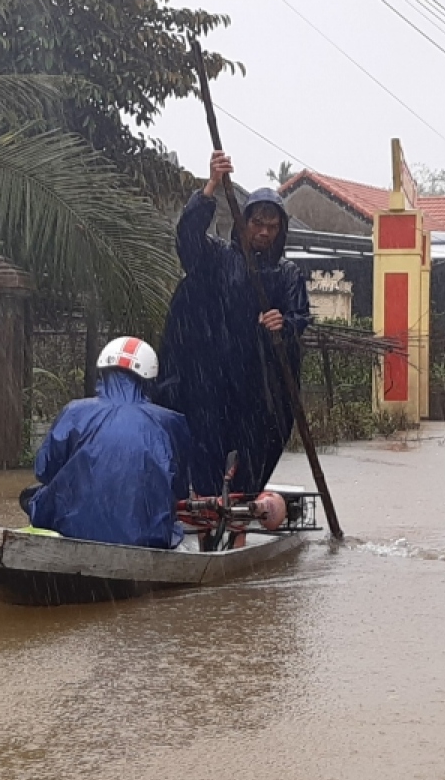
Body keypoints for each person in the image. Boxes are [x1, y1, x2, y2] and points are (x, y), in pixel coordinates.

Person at [155, 150, 312, 498]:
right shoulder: (217, 260)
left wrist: (282, 323)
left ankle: (241, 509)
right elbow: (188, 240)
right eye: (258, 224)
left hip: (256, 387)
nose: (264, 233)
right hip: (209, 382)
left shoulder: (286, 274)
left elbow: (300, 316)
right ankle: (206, 507)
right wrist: (211, 185)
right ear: (243, 222)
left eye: (272, 227)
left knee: (255, 450)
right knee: (204, 447)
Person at [21, 336, 191, 549]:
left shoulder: (74, 412)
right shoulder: (170, 422)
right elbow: (180, 487)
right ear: (148, 379)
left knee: (30, 496)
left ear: (103, 371)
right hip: (147, 535)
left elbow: (44, 470)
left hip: (72, 529)